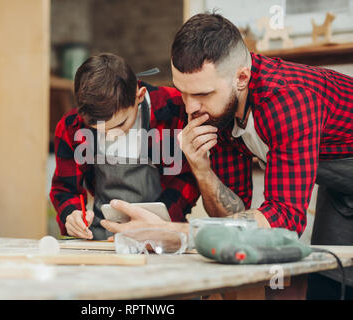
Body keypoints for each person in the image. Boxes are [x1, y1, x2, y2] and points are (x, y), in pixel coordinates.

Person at [100, 13, 353, 299]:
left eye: (203, 94)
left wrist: (174, 233)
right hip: (341, 187)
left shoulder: (288, 99)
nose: (190, 107)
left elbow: (285, 220)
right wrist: (202, 169)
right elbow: (233, 215)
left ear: (241, 78)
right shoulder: (217, 112)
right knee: (329, 286)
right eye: (182, 92)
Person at [50, 53, 200, 240]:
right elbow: (65, 188)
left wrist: (160, 223)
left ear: (139, 96)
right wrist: (71, 214)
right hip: (103, 235)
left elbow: (187, 178)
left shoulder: (172, 109)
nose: (111, 136)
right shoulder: (72, 127)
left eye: (120, 125)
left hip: (161, 233)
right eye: (100, 130)